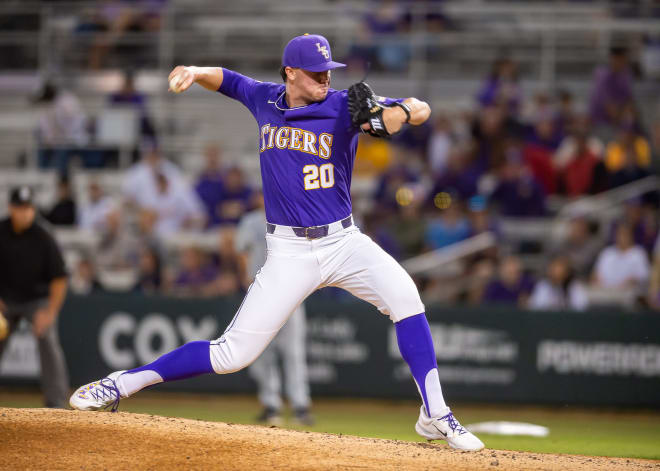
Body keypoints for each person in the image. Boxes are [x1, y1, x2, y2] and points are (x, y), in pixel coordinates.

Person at [70, 34, 484, 451]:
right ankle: (122, 383)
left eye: (329, 70)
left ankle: (435, 413)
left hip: (343, 241)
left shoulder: (341, 104)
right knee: (232, 356)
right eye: (317, 72)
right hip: (289, 252)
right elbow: (229, 79)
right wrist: (195, 72)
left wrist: (400, 112)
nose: (326, 77)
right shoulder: (265, 100)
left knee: (406, 298)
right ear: (290, 72)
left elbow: (418, 109)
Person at [236, 191, 313, 425]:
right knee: (263, 352)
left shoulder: (292, 216)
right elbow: (240, 250)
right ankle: (271, 404)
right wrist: (245, 278)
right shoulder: (251, 221)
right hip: (261, 293)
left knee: (293, 352)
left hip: (290, 292)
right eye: (260, 193)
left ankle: (301, 405)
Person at [0, 186, 69, 408]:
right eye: (20, 208)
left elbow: (59, 278)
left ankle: (56, 402)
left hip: (36, 301)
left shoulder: (44, 236)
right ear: (11, 208)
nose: (25, 213)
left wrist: (49, 312)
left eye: (28, 208)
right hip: (4, 301)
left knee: (48, 337)